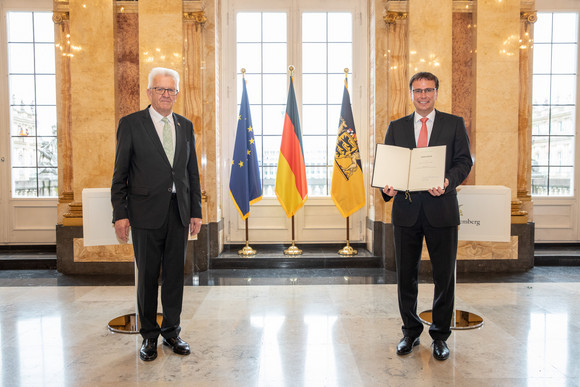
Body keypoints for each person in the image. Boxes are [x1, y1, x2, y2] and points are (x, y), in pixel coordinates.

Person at [111, 67, 202, 362]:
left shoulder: (185, 126)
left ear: (177, 93)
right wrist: (120, 214)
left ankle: (172, 332)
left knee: (175, 276)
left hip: (179, 212)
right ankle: (149, 336)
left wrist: (196, 211)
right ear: (149, 92)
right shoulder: (131, 124)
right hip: (145, 213)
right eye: (160, 89)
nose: (166, 95)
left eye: (171, 90)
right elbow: (120, 174)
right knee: (148, 277)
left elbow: (191, 173)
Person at [381, 72, 472, 361]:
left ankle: (440, 336)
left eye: (428, 90)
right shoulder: (396, 127)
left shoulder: (454, 124)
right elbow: (387, 166)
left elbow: (463, 162)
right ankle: (410, 331)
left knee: (444, 277)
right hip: (406, 212)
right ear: (411, 94)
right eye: (418, 90)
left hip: (441, 210)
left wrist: (447, 181)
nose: (423, 95)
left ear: (436, 92)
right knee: (405, 276)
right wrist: (387, 186)